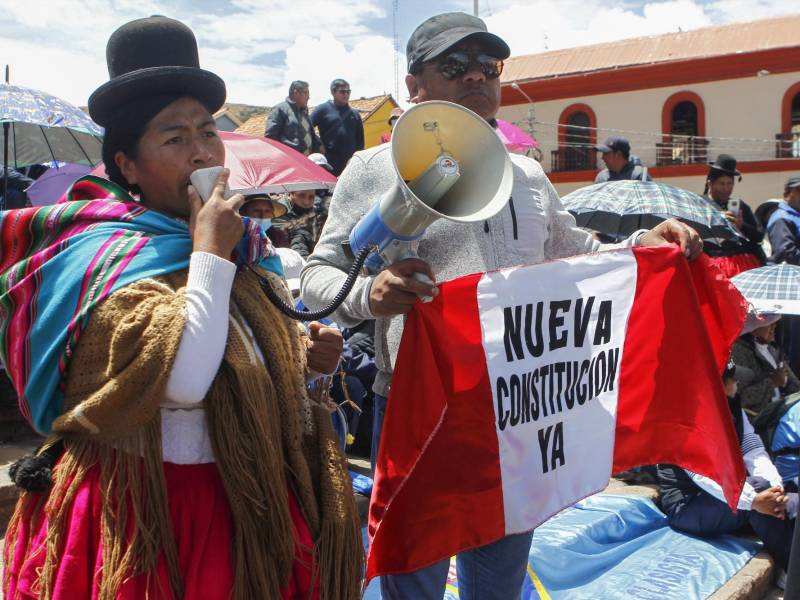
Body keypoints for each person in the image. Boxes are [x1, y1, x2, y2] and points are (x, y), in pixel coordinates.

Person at [301, 11, 702, 599]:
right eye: (454, 67)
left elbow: (578, 254)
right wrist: (371, 296)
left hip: (517, 408)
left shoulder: (530, 176)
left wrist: (642, 246)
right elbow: (318, 274)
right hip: (421, 408)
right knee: (412, 571)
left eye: (489, 68)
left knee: (501, 572)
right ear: (414, 85)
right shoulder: (371, 169)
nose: (476, 78)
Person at [1, 16, 362, 600]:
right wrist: (209, 251)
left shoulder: (246, 249)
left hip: (249, 501)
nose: (201, 153)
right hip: (150, 520)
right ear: (127, 166)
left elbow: (237, 348)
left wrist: (305, 358)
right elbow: (184, 379)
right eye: (174, 139)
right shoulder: (104, 254)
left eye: (207, 133)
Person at [657, 361, 795, 589]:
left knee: (788, 497)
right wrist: (753, 500)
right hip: (688, 505)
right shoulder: (681, 419)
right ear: (714, 386)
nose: (737, 385)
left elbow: (753, 449)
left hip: (728, 495)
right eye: (732, 380)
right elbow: (703, 475)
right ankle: (789, 570)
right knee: (760, 490)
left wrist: (775, 486)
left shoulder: (732, 408)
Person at [702, 154, 765, 277]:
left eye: (729, 183)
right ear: (710, 183)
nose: (726, 188)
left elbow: (759, 237)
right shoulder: (699, 205)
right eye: (721, 183)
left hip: (744, 267)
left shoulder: (741, 207)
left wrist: (742, 226)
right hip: (712, 266)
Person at [732, 313, 800, 417]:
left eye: (774, 322)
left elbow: (794, 384)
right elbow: (740, 398)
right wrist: (772, 382)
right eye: (769, 322)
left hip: (780, 414)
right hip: (758, 422)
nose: (774, 326)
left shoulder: (772, 350)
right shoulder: (739, 352)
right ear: (753, 327)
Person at [311, 79, 364, 175]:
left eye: (348, 92)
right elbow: (307, 128)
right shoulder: (322, 109)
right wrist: (319, 143)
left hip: (350, 164)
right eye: (342, 92)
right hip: (329, 161)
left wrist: (357, 160)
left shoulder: (355, 114)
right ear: (333, 92)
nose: (346, 94)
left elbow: (360, 142)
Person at [264, 80, 322, 156]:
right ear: (296, 93)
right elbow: (270, 137)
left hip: (307, 160)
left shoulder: (304, 112)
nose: (308, 97)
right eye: (305, 93)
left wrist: (319, 145)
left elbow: (310, 134)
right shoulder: (280, 110)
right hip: (290, 160)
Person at [275, 189, 328, 258]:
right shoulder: (278, 212)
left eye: (311, 197)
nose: (306, 202)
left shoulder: (317, 214)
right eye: (301, 196)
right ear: (291, 193)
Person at [768, 175, 800, 266]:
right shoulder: (782, 218)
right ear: (786, 195)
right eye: (799, 190)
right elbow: (786, 253)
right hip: (790, 275)